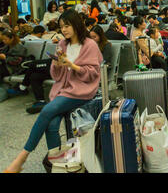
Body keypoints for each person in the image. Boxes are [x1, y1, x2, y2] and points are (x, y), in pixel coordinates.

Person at [3, 9, 103, 173]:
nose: (64, 30)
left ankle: (22, 157)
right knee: (51, 123)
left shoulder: (89, 45)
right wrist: (57, 64)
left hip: (82, 91)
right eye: (62, 26)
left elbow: (92, 75)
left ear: (76, 25)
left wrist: (71, 65)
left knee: (47, 110)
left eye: (67, 26)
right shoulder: (62, 44)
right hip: (63, 90)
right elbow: (56, 76)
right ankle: (57, 166)